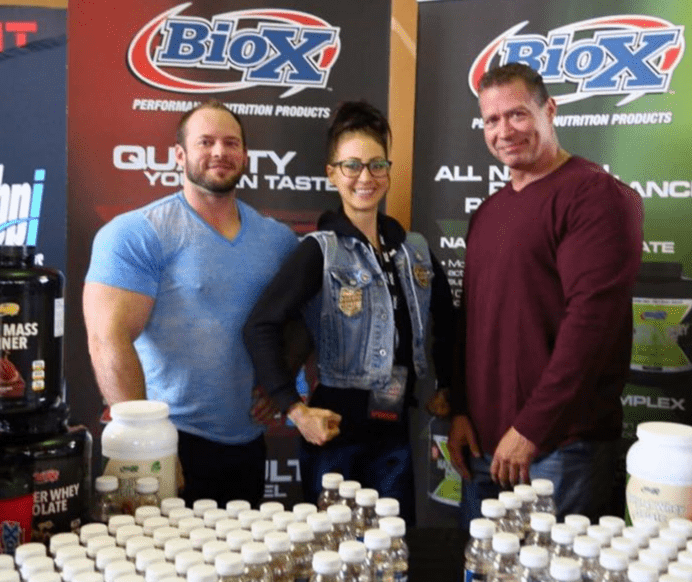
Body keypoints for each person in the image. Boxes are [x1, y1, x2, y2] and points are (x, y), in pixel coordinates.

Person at [447, 63, 644, 525]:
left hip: (558, 448)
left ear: (549, 110)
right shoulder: (489, 212)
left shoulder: (595, 197)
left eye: (517, 115)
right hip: (484, 446)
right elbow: (472, 323)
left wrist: (532, 427)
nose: (503, 131)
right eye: (491, 121)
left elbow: (592, 327)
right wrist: (460, 411)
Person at [243, 101, 456, 526]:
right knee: (336, 556)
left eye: (376, 165)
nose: (365, 177)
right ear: (332, 173)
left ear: (388, 170)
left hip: (396, 431)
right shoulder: (319, 251)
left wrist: (448, 384)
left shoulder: (413, 248)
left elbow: (449, 322)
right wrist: (294, 409)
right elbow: (260, 325)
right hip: (335, 435)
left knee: (390, 553)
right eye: (352, 165)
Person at [83, 99, 299, 507]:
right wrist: (149, 448)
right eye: (206, 142)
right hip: (171, 439)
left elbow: (300, 320)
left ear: (246, 156)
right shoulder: (136, 233)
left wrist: (281, 381)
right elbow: (106, 339)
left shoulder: (278, 241)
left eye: (231, 143)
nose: (220, 152)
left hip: (249, 443)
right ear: (180, 155)